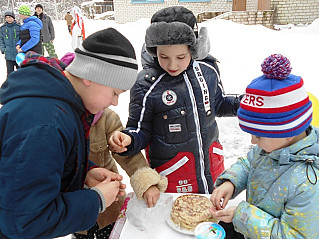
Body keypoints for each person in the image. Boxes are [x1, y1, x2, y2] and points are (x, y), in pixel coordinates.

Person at [0, 28, 139, 239]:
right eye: (114, 92)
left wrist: (84, 173)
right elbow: (25, 221)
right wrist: (96, 200)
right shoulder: (45, 122)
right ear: (90, 76)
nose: (114, 102)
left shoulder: (63, 103)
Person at [108, 6, 242, 195]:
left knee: (212, 220)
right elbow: (140, 129)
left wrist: (245, 103)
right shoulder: (147, 83)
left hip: (212, 168)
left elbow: (218, 104)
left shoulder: (207, 69)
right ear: (154, 50)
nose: (172, 64)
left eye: (181, 57)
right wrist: (128, 139)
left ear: (194, 49)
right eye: (164, 56)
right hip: (173, 175)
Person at [210, 54, 319, 238]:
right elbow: (249, 162)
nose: (253, 142)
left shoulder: (308, 182)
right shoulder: (273, 147)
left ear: (287, 132)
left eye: (258, 135)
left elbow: (295, 236)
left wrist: (243, 217)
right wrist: (231, 182)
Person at [60, 52, 168, 239]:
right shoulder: (60, 121)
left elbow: (128, 156)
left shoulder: (107, 118)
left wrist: (147, 183)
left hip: (109, 207)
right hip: (78, 210)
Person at [0, 10, 20, 76]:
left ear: (13, 18)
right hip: (8, 55)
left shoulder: (19, 27)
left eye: (10, 17)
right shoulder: (3, 28)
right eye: (6, 17)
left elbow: (22, 39)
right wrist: (3, 49)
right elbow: (1, 39)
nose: (8, 19)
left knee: (20, 73)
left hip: (18, 55)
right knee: (10, 74)